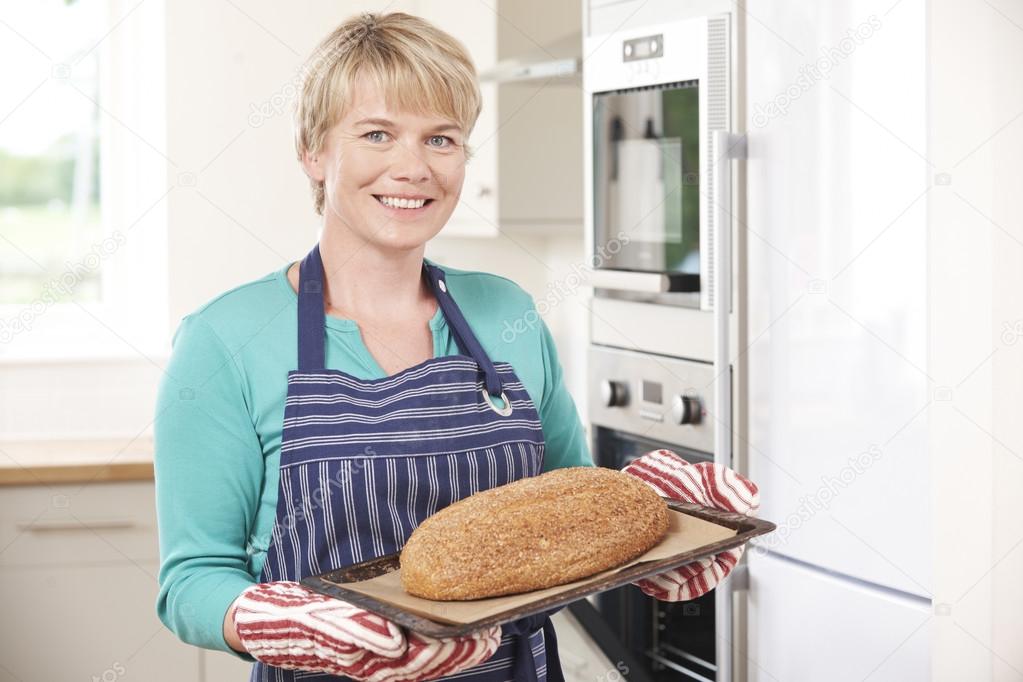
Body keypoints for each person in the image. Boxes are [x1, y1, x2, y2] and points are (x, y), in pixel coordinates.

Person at [154, 12, 759, 681]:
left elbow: (572, 509)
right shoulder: (226, 339)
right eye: (377, 133)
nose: (412, 168)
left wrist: (669, 530)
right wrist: (284, 622)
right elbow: (191, 580)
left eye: (440, 139)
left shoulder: (506, 313)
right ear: (314, 151)